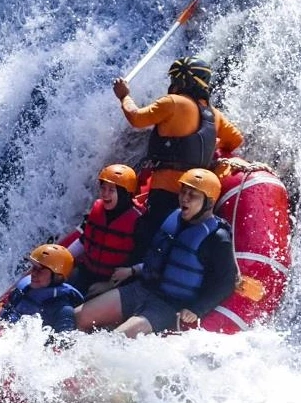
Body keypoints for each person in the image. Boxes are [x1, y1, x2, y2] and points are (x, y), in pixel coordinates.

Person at [73, 168, 238, 338]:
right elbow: (156, 256)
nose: (184, 198)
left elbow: (225, 283)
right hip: (140, 288)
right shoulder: (172, 217)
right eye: (183, 192)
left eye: (193, 195)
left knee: (115, 339)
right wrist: (129, 273)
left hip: (168, 305)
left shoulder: (217, 238)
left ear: (209, 202)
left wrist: (197, 309)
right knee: (77, 317)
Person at [112, 56, 244, 257]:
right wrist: (213, 145)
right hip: (196, 197)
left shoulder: (172, 102)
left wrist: (124, 96)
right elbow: (236, 140)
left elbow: (136, 118)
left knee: (148, 241)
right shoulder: (214, 115)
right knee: (176, 245)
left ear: (179, 82)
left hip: (165, 192)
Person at [0, 244, 85, 333]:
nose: (33, 273)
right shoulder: (25, 287)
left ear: (57, 277)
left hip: (13, 351)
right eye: (33, 267)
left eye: (41, 270)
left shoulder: (62, 310)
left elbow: (61, 349)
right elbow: (3, 310)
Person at [64, 164, 144, 298]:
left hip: (116, 281)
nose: (105, 194)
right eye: (103, 188)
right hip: (86, 271)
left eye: (111, 190)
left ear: (124, 193)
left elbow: (142, 260)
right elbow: (83, 241)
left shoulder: (139, 221)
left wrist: (109, 284)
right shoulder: (97, 210)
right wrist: (62, 259)